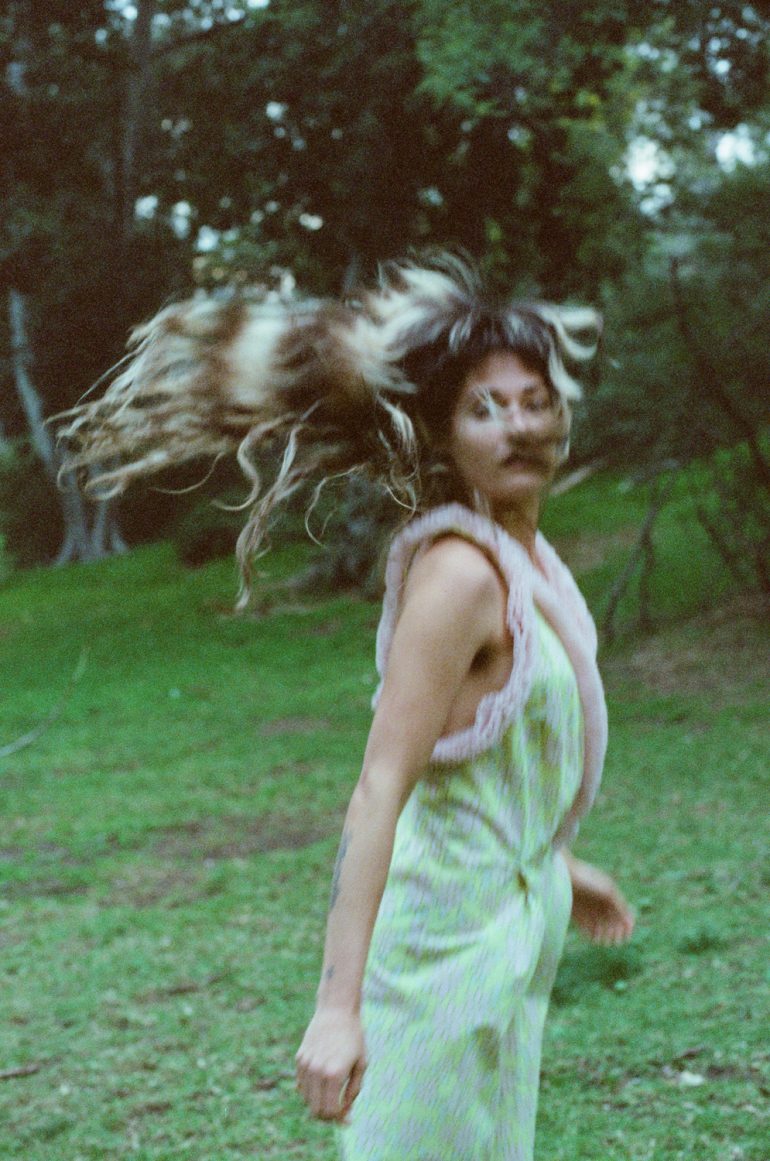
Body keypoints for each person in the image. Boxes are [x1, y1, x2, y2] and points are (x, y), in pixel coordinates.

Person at [58, 254, 633, 1160]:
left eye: (536, 401)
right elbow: (380, 786)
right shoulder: (459, 577)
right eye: (485, 407)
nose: (520, 425)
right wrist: (337, 1007)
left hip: (508, 945)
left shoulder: (525, 566)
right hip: (438, 957)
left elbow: (485, 762)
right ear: (442, 435)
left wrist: (556, 861)